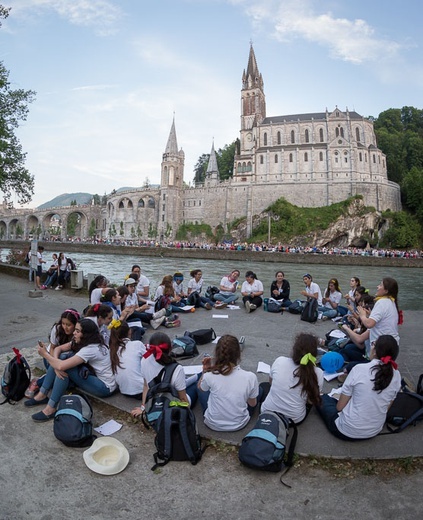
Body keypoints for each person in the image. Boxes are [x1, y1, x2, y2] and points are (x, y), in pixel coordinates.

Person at [25, 319, 117, 422]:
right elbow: (58, 349)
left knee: (64, 366)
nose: (74, 333)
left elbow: (61, 366)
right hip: (95, 377)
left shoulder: (91, 349)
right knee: (62, 358)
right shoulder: (86, 341)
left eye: (77, 331)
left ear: (86, 335)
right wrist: (56, 364)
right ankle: (42, 395)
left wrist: (45, 355)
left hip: (104, 387)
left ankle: (50, 408)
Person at [316, 335, 401, 440]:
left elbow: (339, 408)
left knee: (323, 399)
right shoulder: (396, 375)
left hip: (346, 430)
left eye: (373, 344)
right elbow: (386, 407)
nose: (371, 346)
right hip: (374, 430)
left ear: (375, 351)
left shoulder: (359, 369)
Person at [195, 335, 259, 431]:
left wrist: (205, 371)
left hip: (213, 423)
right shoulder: (250, 377)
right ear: (239, 354)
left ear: (216, 354)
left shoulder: (210, 375)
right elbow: (252, 404)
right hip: (239, 424)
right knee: (259, 390)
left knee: (200, 386)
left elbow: (201, 388)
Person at [260, 333, 323, 424]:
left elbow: (271, 382)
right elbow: (310, 400)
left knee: (264, 386)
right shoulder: (318, 373)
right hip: (294, 420)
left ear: (294, 350)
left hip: (267, 413)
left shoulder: (280, 361)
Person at [25, 308, 81, 398]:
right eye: (63, 323)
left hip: (66, 361)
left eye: (68, 325)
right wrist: (56, 367)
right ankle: (38, 383)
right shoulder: (57, 329)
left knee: (68, 380)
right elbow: (52, 348)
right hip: (52, 357)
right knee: (61, 373)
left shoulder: (78, 333)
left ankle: (42, 382)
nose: (65, 327)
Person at [130, 331, 189, 418]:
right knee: (193, 387)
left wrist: (143, 408)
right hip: (170, 404)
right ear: (170, 349)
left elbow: (146, 386)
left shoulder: (144, 360)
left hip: (154, 402)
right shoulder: (177, 369)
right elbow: (183, 399)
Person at [357, 277, 400, 353]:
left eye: (380, 285)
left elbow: (369, 324)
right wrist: (370, 315)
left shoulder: (382, 302)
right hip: (392, 345)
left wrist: (362, 315)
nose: (377, 287)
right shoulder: (391, 301)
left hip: (382, 346)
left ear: (386, 291)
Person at [108, 319, 146, 399]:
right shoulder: (137, 344)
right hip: (142, 390)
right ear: (129, 332)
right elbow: (150, 359)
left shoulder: (111, 350)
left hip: (125, 391)